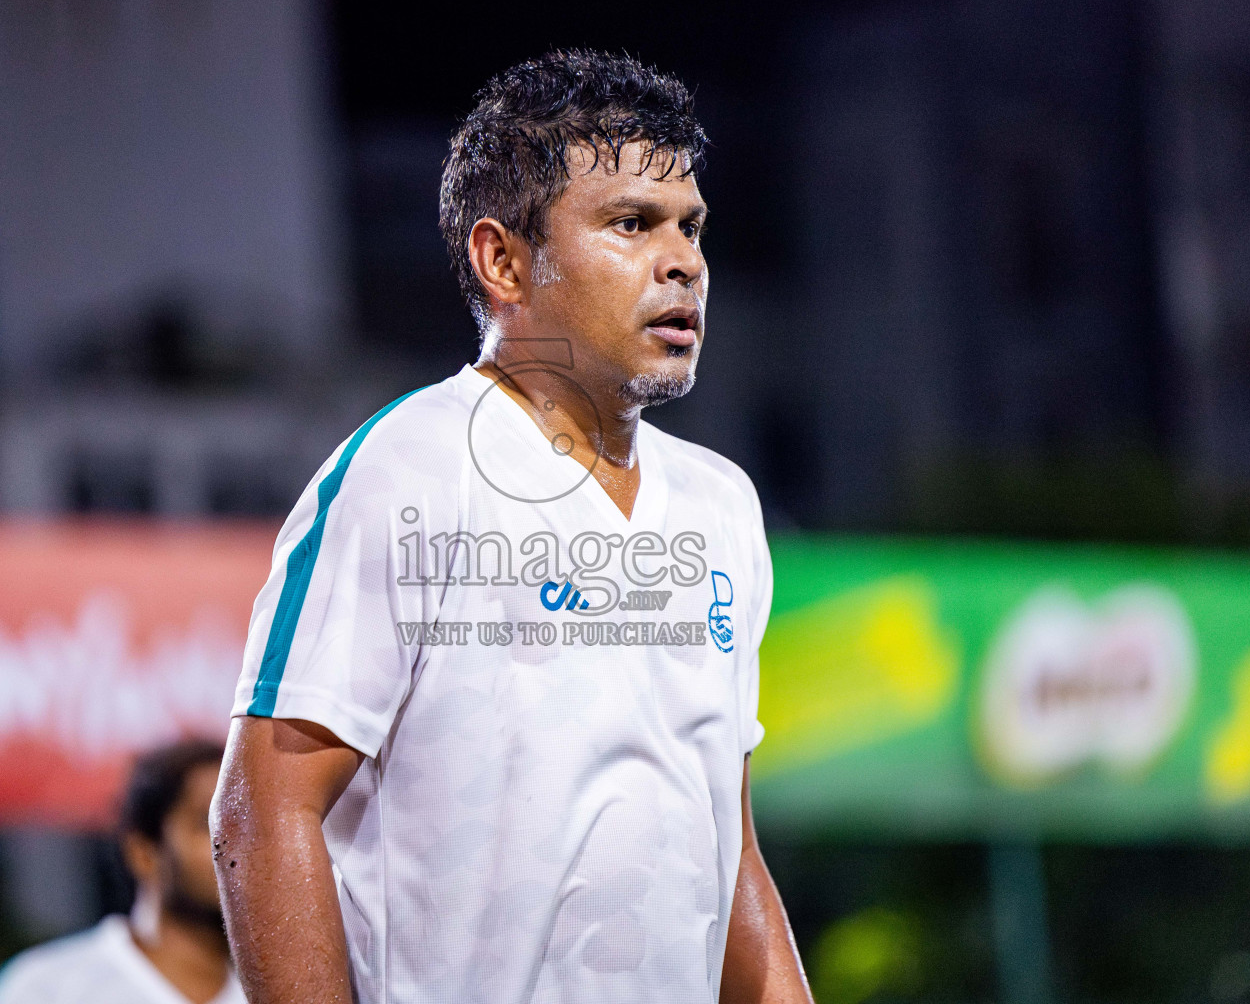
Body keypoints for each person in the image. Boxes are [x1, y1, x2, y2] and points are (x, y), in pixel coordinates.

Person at [213, 49, 814, 1004]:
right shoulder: (405, 470)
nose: (684, 261)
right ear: (504, 260)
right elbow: (263, 810)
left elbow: (726, 846)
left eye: (691, 227)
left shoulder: (722, 506)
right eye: (631, 223)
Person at [0, 740, 245, 1004]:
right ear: (144, 852)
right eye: (208, 822)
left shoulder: (270, 995)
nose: (238, 843)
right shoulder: (42, 990)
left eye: (247, 824)